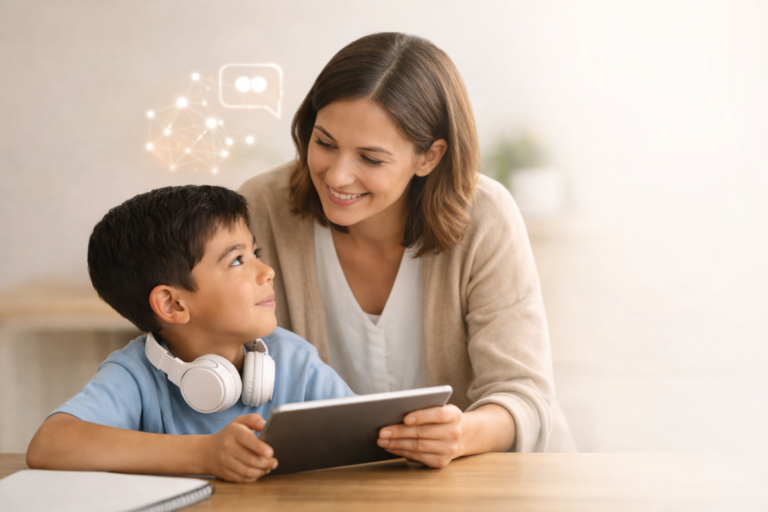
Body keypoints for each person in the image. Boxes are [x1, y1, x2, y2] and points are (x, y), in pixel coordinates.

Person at [239, 32, 576, 467]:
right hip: (328, 484)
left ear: (429, 157)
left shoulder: (486, 218)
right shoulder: (262, 208)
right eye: (324, 143)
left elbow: (525, 397)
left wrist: (461, 433)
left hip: (490, 481)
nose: (337, 176)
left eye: (371, 159)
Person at [26, 185, 354, 482]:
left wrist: (402, 440)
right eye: (238, 260)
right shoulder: (135, 374)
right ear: (172, 304)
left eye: (256, 254)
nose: (267, 272)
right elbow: (50, 444)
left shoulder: (293, 358)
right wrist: (204, 454)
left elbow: (364, 431)